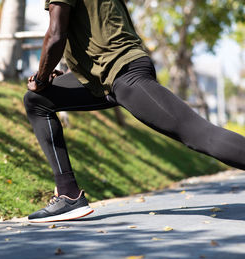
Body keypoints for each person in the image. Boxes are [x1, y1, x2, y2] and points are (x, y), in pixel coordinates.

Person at [24, 0, 245, 223]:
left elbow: (55, 35)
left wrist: (41, 77)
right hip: (101, 79)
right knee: (37, 100)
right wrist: (51, 76)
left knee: (199, 135)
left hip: (125, 74)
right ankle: (68, 195)